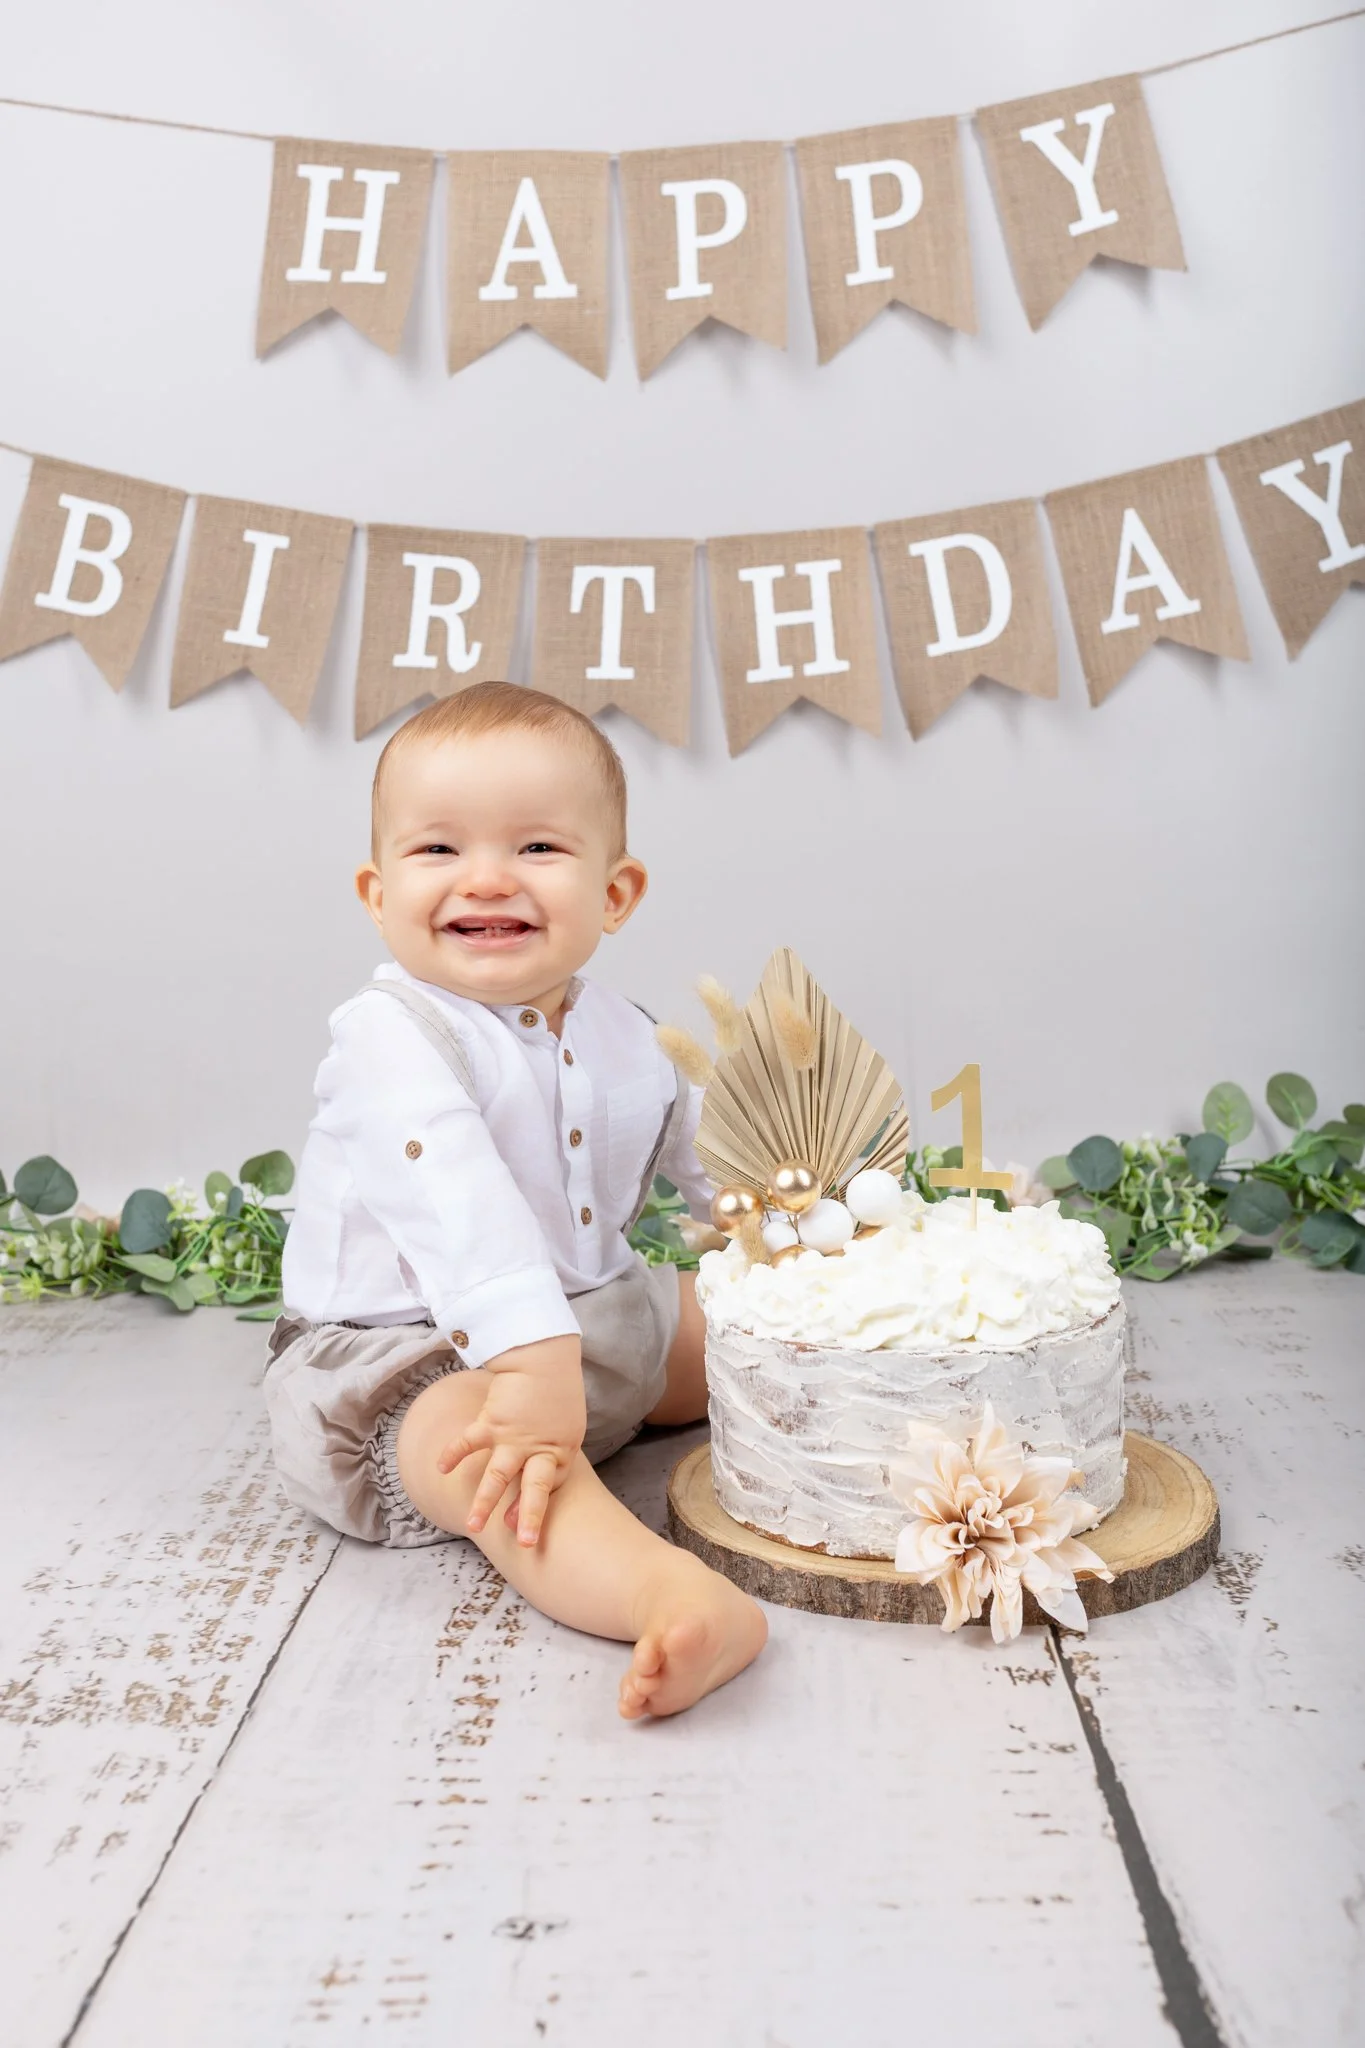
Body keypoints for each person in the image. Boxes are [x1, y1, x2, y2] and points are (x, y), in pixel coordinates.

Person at [264, 680, 767, 1719]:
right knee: (492, 1460)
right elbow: (453, 1197)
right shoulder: (385, 1036)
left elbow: (705, 1148)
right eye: (438, 849)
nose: (485, 876)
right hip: (404, 1359)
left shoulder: (630, 1030)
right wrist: (531, 1369)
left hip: (593, 1329)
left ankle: (894, 1415)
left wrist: (768, 1223)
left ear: (616, 892)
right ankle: (663, 1591)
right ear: (376, 888)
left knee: (752, 1328)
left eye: (537, 847)